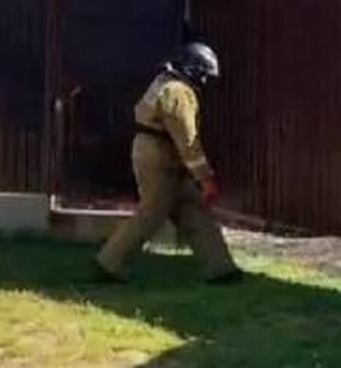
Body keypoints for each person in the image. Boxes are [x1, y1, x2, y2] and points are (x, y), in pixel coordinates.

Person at [94, 41, 242, 284]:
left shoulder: (164, 82)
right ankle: (107, 264)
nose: (205, 82)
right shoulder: (178, 92)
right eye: (204, 75)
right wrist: (205, 178)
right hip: (160, 155)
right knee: (152, 212)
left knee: (193, 208)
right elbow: (188, 140)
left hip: (157, 150)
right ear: (194, 70)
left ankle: (222, 270)